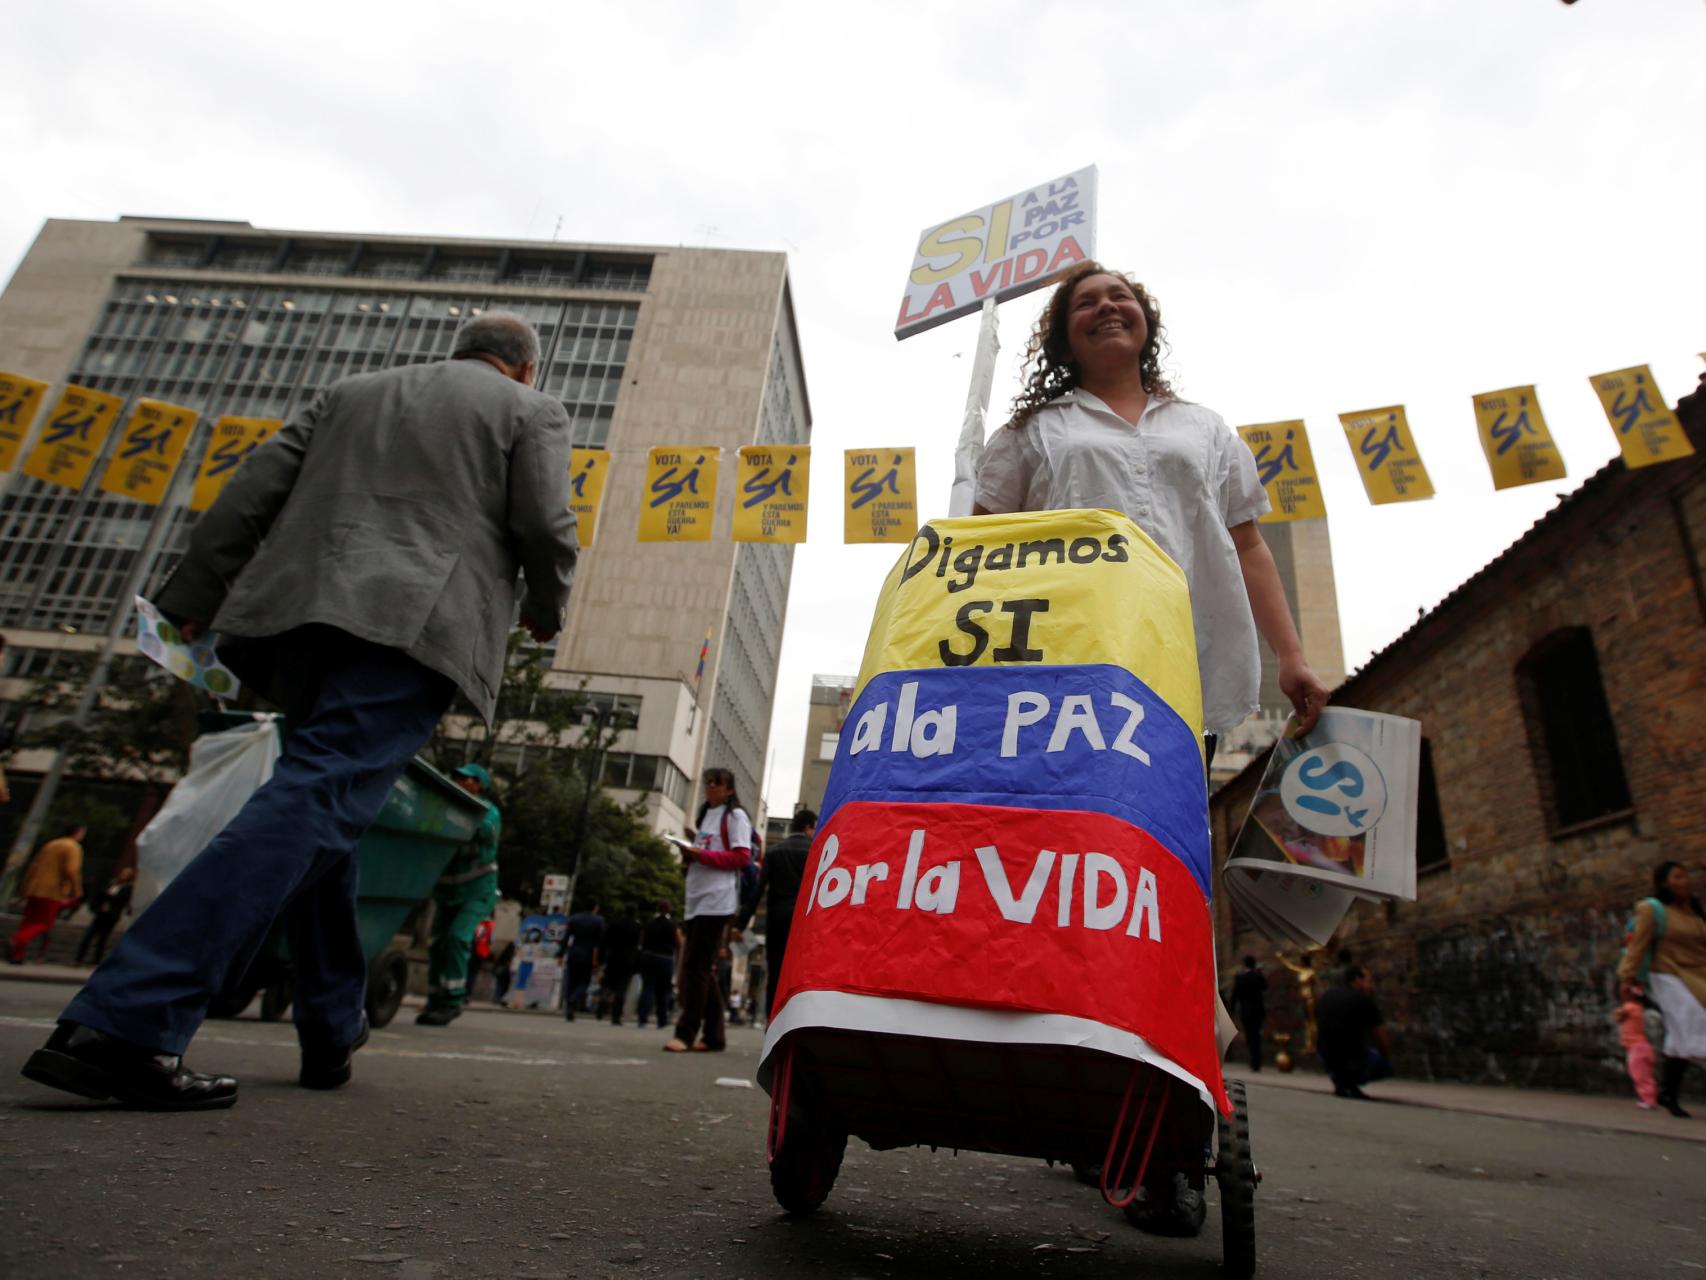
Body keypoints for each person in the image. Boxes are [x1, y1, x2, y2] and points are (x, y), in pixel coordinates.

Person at [21, 311, 578, 1110]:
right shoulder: (532, 411)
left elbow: (250, 491)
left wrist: (194, 594)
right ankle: (127, 1020)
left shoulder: (353, 390)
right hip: (412, 623)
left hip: (298, 619)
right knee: (318, 796)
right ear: (525, 368)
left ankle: (330, 1023)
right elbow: (545, 526)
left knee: (327, 809)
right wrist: (548, 609)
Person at [973, 263, 1330, 745]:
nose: (1105, 305)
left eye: (1119, 296)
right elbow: (982, 548)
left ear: (1145, 321)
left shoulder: (1204, 429)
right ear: (1063, 339)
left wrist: (1292, 657)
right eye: (1086, 302)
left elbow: (1247, 546)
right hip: (1065, 665)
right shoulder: (1031, 432)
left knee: (1173, 815)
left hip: (1190, 662)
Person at [663, 768, 752, 1053]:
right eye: (708, 782)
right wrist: (689, 857)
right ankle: (714, 1036)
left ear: (729, 789)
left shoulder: (735, 817)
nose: (711, 787)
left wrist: (702, 855)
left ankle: (686, 1032)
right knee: (703, 970)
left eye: (718, 783)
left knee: (695, 967)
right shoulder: (706, 816)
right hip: (697, 898)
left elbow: (741, 857)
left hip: (717, 900)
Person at [1618, 861, 1706, 1118]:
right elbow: (1637, 946)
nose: (1684, 881)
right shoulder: (1651, 910)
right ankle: (1668, 1091)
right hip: (1669, 976)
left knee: (1681, 1038)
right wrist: (1627, 978)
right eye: (1677, 877)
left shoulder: (1694, 912)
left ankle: (1668, 1092)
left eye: (1685, 876)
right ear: (1664, 883)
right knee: (1696, 1022)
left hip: (1699, 975)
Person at [418, 763, 502, 1028]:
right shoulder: (443, 808)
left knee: (456, 939)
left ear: (479, 786)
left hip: (477, 892)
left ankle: (453, 1001)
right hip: (447, 892)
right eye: (457, 777)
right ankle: (435, 998)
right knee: (438, 943)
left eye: (467, 779)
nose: (460, 781)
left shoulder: (487, 812)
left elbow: (482, 832)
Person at [733, 807, 816, 1022]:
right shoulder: (815, 851)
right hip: (804, 919)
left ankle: (773, 1022)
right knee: (799, 971)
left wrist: (740, 924)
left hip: (777, 916)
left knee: (775, 971)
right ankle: (796, 1021)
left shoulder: (774, 851)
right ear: (808, 827)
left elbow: (757, 891)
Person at [8, 826, 85, 964]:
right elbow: (71, 869)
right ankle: (17, 939)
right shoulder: (73, 847)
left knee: (28, 922)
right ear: (78, 833)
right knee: (44, 923)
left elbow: (34, 866)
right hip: (53, 891)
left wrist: (25, 888)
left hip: (35, 887)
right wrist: (76, 891)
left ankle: (17, 955)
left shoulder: (50, 844)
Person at [1316, 965, 1393, 1099]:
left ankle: (1342, 1082)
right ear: (1358, 980)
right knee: (1382, 1063)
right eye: (1369, 981)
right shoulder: (1363, 1000)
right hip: (1351, 1056)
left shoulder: (1326, 995)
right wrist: (1386, 1055)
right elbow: (1381, 1035)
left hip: (1325, 1055)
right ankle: (1352, 1081)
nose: (1371, 985)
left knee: (1342, 1052)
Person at [76, 865, 135, 966]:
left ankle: (95, 960)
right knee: (88, 936)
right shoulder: (112, 884)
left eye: (125, 874)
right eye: (122, 873)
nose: (122, 876)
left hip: (111, 916)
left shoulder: (128, 888)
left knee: (102, 939)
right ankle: (78, 959)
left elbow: (121, 899)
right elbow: (101, 895)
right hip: (101, 913)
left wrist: (108, 896)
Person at [636, 901, 681, 1030]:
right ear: (669, 910)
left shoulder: (649, 924)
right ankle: (661, 1020)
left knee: (647, 988)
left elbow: (642, 940)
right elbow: (679, 943)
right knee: (663, 991)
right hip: (665, 958)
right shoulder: (673, 925)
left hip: (649, 956)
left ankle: (642, 1019)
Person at [1614, 985, 1659, 1110]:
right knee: (1646, 1075)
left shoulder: (1630, 1007)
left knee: (1640, 1075)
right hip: (1643, 1046)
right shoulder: (1639, 1008)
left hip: (1637, 1047)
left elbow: (1617, 1016)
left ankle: (1649, 1100)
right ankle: (1650, 1098)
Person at [562, 900, 605, 1021]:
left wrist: (561, 953)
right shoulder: (599, 921)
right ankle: (574, 1000)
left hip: (574, 952)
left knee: (571, 980)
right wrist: (599, 960)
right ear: (595, 907)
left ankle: (569, 1003)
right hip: (589, 954)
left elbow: (566, 938)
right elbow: (601, 942)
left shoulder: (574, 919)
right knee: (584, 982)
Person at [600, 904, 642, 1026]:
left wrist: (602, 958)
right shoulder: (637, 927)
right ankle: (616, 1016)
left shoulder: (615, 924)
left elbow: (605, 941)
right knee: (622, 989)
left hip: (613, 958)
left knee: (608, 984)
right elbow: (638, 946)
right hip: (628, 961)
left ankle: (602, 1004)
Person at [1231, 955, 1268, 1072]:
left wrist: (1231, 1009)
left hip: (1246, 1011)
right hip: (1258, 1011)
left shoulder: (1240, 978)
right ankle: (1257, 1061)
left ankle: (1253, 1059)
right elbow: (1265, 986)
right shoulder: (1257, 976)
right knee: (1256, 1035)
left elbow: (1235, 995)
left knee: (1250, 1035)